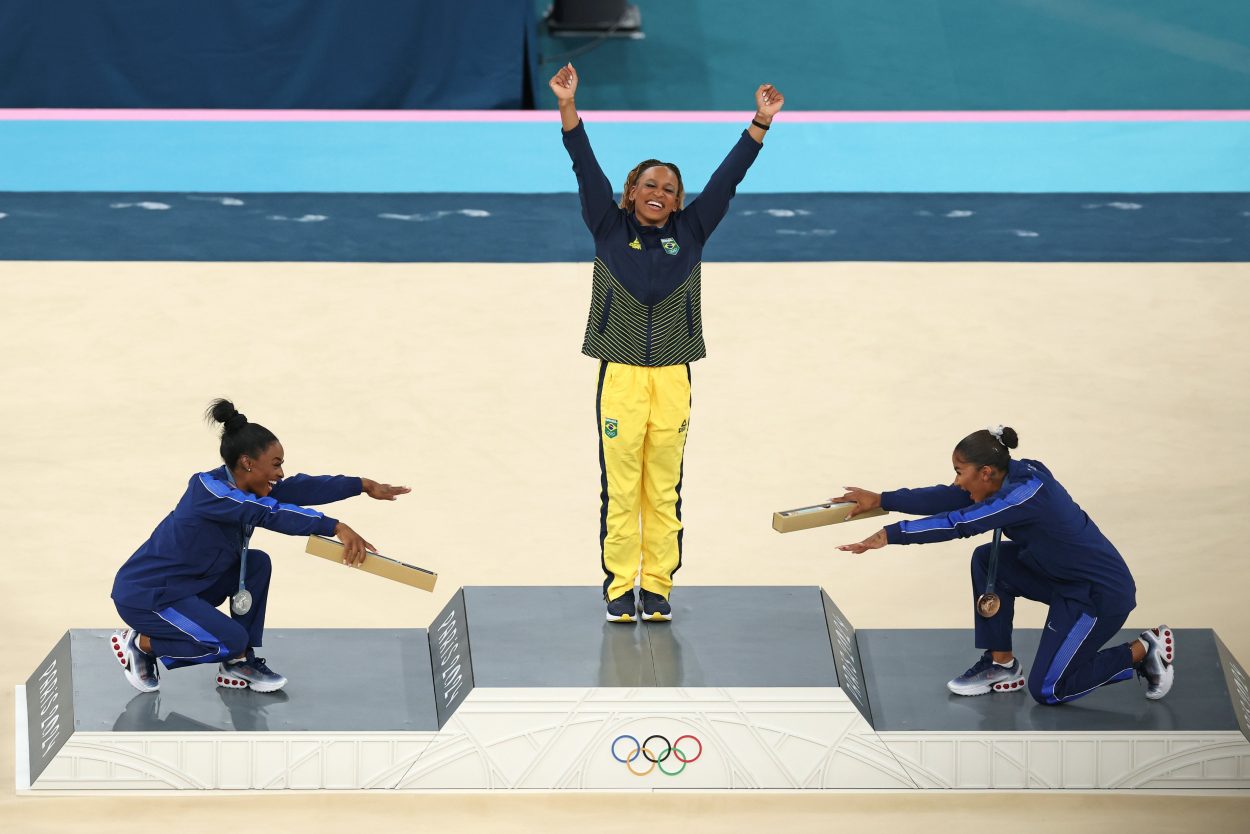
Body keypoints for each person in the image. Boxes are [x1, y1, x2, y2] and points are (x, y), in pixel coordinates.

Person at [549, 62, 784, 623]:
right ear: (630, 193)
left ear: (679, 203)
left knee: (664, 488)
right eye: (649, 185)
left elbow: (727, 179)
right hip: (622, 377)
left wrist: (759, 123)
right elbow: (585, 167)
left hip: (674, 374)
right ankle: (616, 587)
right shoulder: (607, 226)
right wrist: (567, 108)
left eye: (669, 189)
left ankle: (656, 587)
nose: (659, 193)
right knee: (622, 486)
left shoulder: (693, 231)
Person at [834, 426, 1175, 704]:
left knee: (1049, 690)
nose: (956, 481)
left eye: (959, 472)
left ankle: (1143, 650)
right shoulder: (1003, 477)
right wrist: (883, 500)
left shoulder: (1024, 494)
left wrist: (891, 535)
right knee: (988, 560)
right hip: (1057, 577)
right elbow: (950, 497)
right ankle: (1001, 665)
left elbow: (959, 523)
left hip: (1097, 596)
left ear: (985, 472)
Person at [109, 399, 409, 693]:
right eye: (276, 465)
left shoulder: (250, 485)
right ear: (247, 463)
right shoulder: (208, 490)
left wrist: (363, 485)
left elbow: (302, 487)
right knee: (229, 640)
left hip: (189, 586)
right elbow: (267, 513)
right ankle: (141, 643)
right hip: (149, 595)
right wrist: (336, 527)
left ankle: (238, 663)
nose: (280, 473)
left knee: (256, 563)